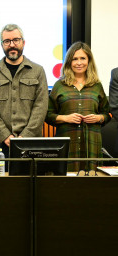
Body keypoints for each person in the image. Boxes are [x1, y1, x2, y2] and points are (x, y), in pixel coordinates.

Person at [0, 24, 48, 159]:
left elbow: (41, 106)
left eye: (16, 40)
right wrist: (5, 135)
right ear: (2, 45)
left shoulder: (38, 71)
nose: (12, 45)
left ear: (23, 42)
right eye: (7, 41)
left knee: (29, 180)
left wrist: (25, 136)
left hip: (31, 142)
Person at [46, 42, 110, 172]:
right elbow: (47, 115)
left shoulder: (97, 86)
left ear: (89, 61)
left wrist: (98, 118)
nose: (79, 63)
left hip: (91, 144)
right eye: (75, 59)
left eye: (83, 58)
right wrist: (65, 118)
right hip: (68, 144)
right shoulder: (59, 85)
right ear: (69, 62)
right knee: (66, 186)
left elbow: (107, 114)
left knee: (93, 185)